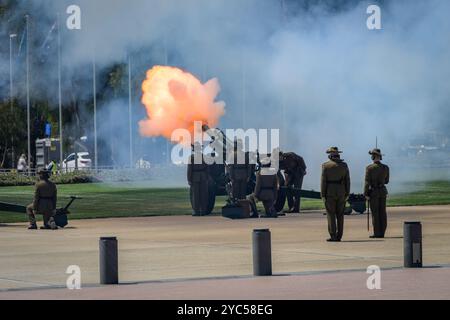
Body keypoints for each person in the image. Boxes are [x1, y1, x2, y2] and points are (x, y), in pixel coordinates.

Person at [321, 147, 350, 242]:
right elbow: (347, 181)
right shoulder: (344, 165)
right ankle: (339, 235)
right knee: (340, 214)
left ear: (330, 155)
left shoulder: (326, 166)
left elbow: (323, 181)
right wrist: (347, 193)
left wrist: (323, 194)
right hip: (342, 192)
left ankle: (333, 235)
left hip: (330, 192)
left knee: (331, 214)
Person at [364, 148, 390, 238]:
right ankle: (382, 232)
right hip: (383, 191)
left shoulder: (369, 168)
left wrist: (366, 194)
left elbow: (367, 182)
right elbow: (387, 181)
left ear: (373, 157)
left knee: (375, 213)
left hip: (374, 192)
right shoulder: (386, 167)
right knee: (382, 212)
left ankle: (377, 233)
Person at [187, 142, 210, 216]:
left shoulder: (191, 157)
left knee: (195, 195)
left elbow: (189, 169)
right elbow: (207, 169)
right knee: (203, 195)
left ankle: (196, 211)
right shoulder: (204, 156)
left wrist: (189, 179)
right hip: (203, 176)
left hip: (195, 177)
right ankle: (203, 211)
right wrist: (206, 177)